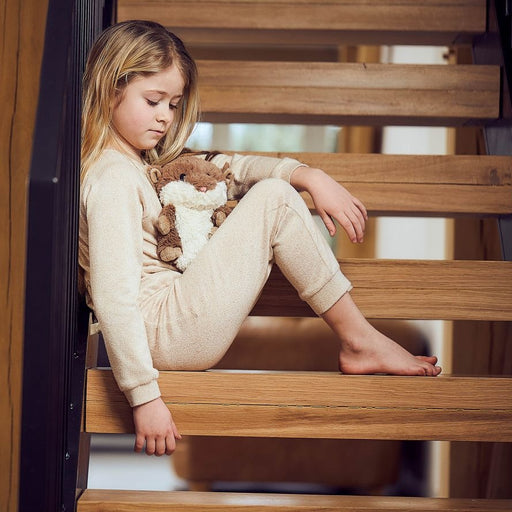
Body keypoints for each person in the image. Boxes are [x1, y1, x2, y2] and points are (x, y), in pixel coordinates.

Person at [79, 20, 441, 457]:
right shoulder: (113, 176)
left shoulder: (138, 161)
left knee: (274, 188)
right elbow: (114, 297)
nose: (165, 116)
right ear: (109, 89)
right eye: (153, 100)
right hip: (161, 329)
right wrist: (144, 395)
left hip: (170, 319)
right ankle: (359, 338)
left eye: (173, 104)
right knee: (273, 199)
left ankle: (360, 338)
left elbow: (226, 164)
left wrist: (307, 174)